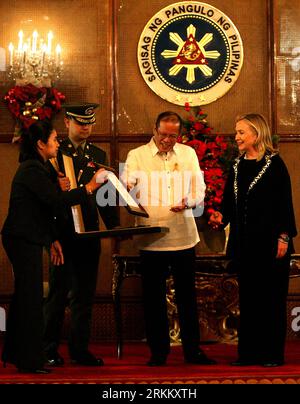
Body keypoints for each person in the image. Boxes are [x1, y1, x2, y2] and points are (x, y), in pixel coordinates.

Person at [1, 120, 104, 373]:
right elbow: (56, 201)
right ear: (40, 144)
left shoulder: (40, 167)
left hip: (31, 237)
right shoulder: (31, 169)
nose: (58, 144)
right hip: (22, 239)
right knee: (31, 298)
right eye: (55, 139)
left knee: (26, 297)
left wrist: (51, 239)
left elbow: (44, 209)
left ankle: (16, 354)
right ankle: (29, 361)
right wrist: (90, 187)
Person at [122, 111, 216, 366]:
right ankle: (159, 352)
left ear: (179, 135)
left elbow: (200, 189)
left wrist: (189, 202)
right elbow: (125, 188)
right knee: (153, 300)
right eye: (163, 135)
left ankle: (192, 351)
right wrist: (126, 189)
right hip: (151, 238)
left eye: (172, 136)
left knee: (187, 298)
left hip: (183, 235)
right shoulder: (137, 155)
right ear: (154, 130)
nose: (166, 140)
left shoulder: (188, 154)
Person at [209, 113, 297, 367]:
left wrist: (283, 237)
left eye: (241, 132)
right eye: (236, 132)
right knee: (248, 301)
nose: (236, 137)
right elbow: (228, 203)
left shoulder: (275, 164)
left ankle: (271, 355)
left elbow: (284, 204)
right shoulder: (237, 166)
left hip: (271, 245)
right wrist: (220, 217)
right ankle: (247, 354)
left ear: (256, 135)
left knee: (270, 299)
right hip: (245, 245)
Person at [43, 103, 119, 366]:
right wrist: (50, 237)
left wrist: (114, 227)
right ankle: (49, 349)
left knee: (84, 296)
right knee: (58, 294)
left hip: (88, 233)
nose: (85, 127)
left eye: (89, 123)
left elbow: (104, 195)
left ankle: (79, 350)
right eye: (79, 122)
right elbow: (48, 198)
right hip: (63, 234)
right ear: (67, 123)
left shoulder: (98, 154)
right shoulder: (55, 153)